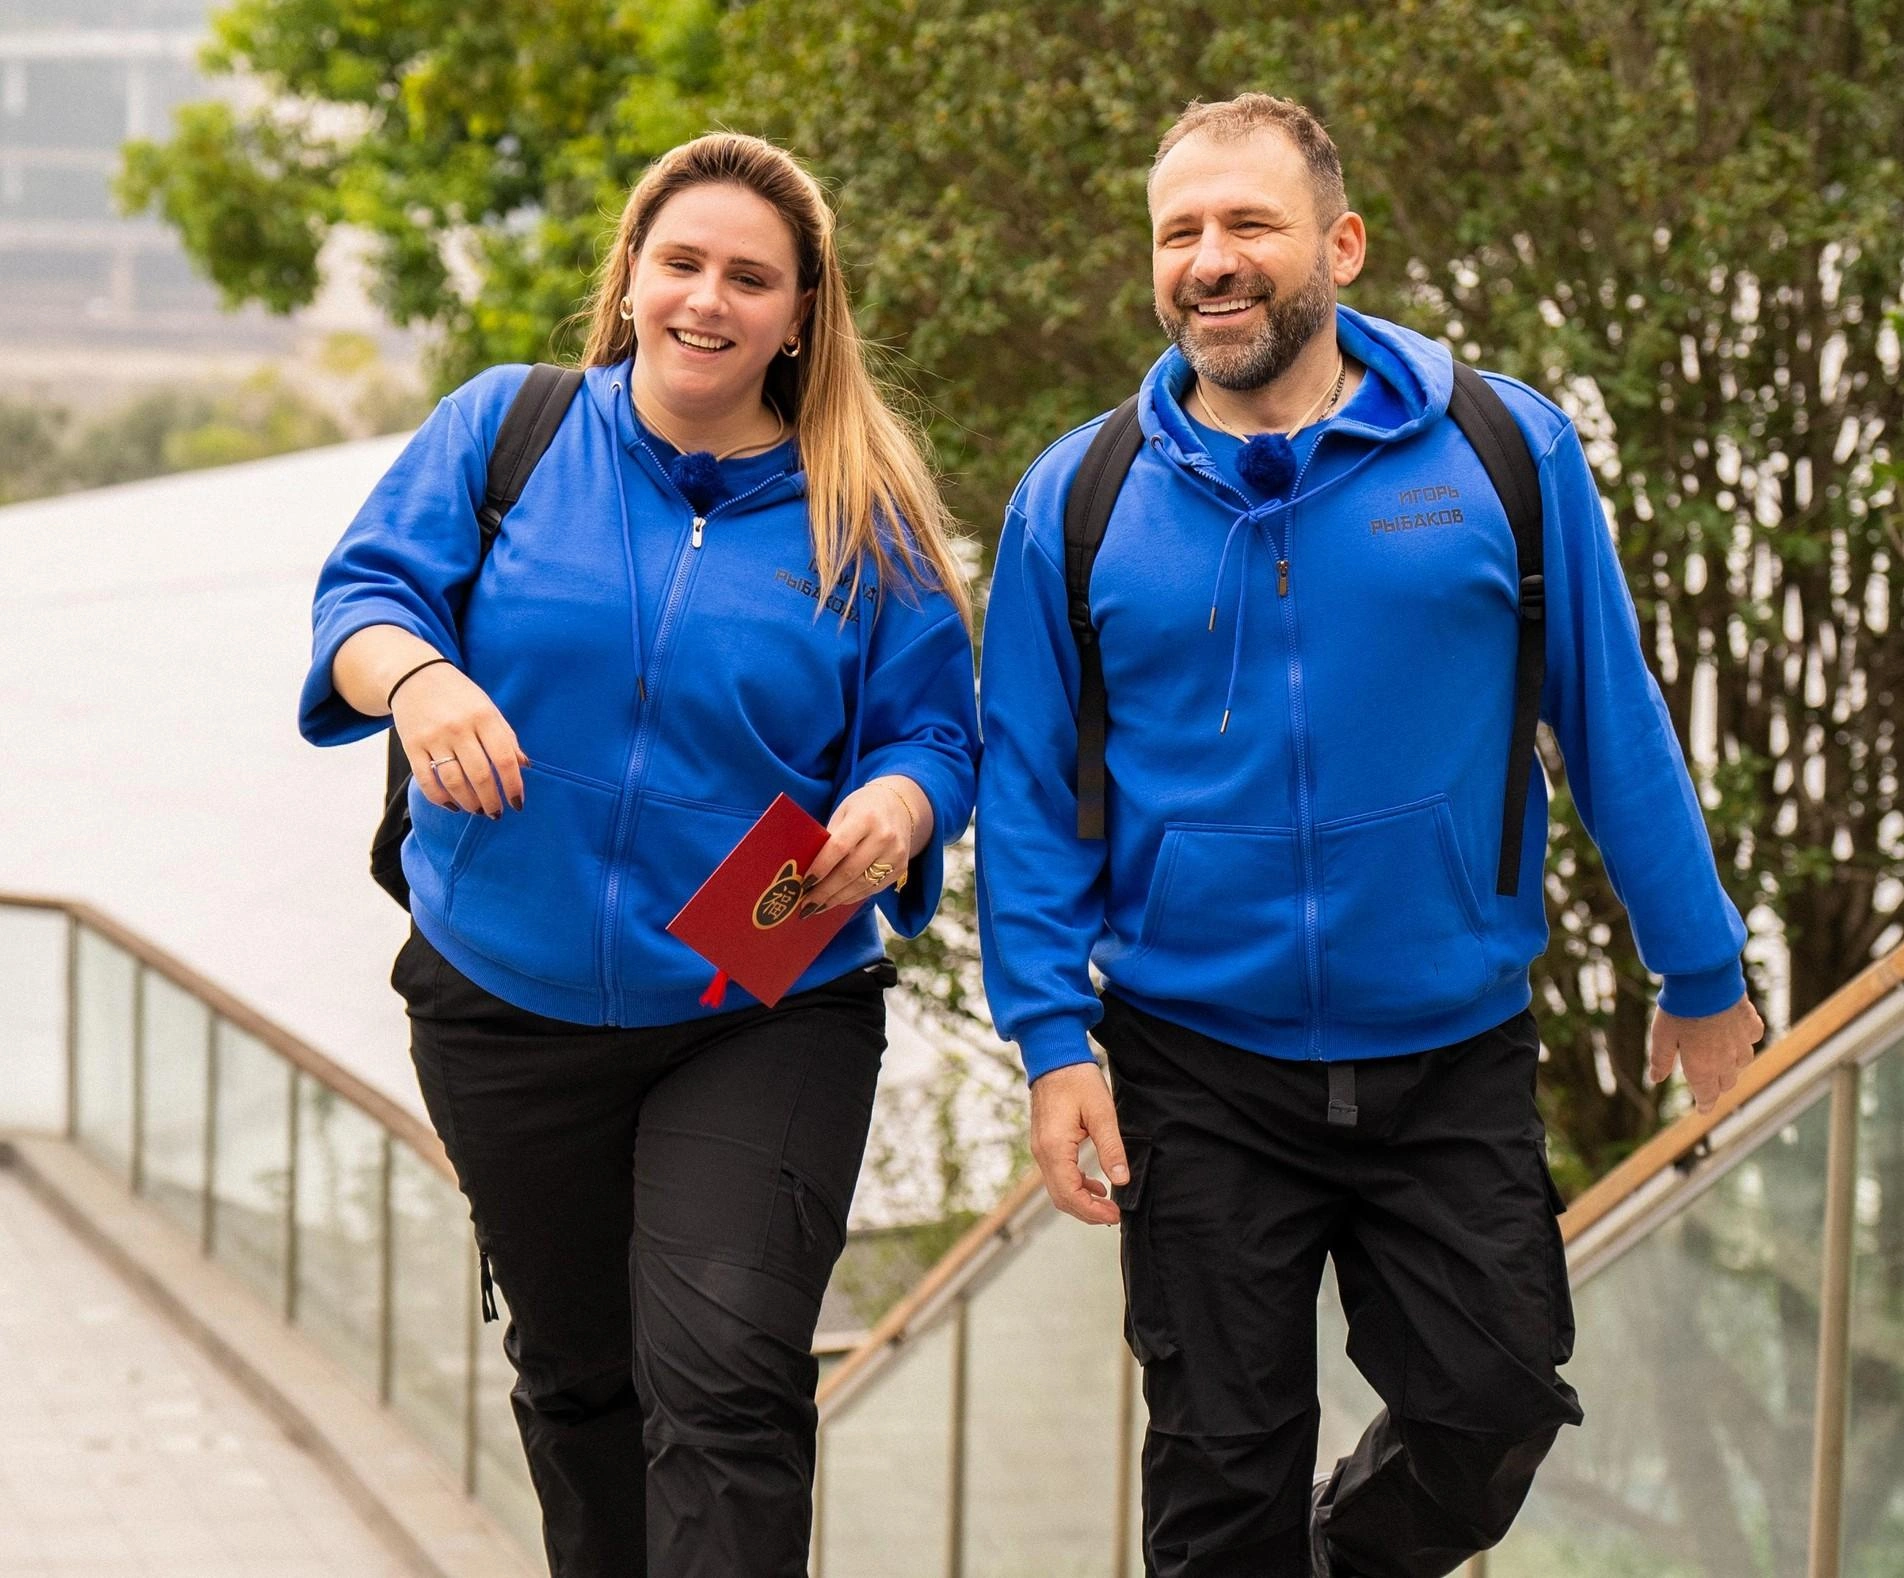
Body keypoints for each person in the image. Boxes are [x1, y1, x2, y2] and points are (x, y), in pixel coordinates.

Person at [976, 93, 1764, 1578]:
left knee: (1491, 1409)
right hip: (1195, 1064)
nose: (1211, 260)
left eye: (1249, 224)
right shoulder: (1076, 501)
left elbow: (1611, 716)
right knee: (1220, 1482)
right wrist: (1050, 1038)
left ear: (1340, 245)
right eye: (1180, 233)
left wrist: (1701, 962)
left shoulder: (1504, 450)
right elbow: (1025, 793)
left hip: (1450, 1047)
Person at [298, 133, 979, 1577]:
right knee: (580, 1378)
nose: (708, 299)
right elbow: (362, 600)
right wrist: (418, 679)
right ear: (630, 277)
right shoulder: (509, 430)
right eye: (682, 263)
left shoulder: (865, 512)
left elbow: (935, 732)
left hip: (761, 1003)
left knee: (727, 1377)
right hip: (504, 1002)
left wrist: (902, 805)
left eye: (750, 278)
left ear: (800, 314)